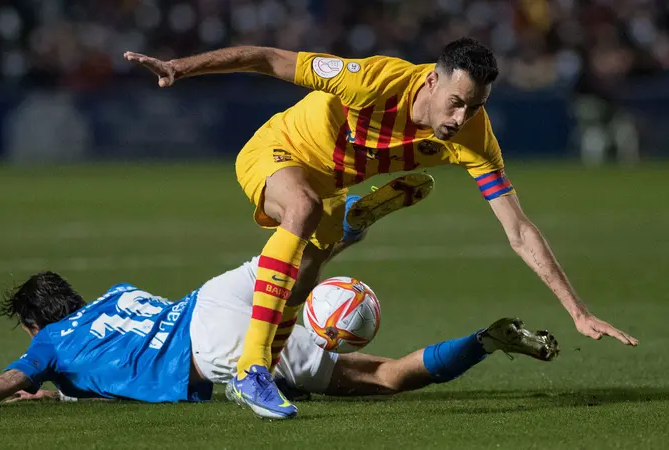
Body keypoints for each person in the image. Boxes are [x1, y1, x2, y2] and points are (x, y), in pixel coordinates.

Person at [122, 37, 638, 418]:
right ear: (432, 80)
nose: (461, 117)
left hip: (332, 186)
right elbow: (269, 58)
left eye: (475, 106)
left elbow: (519, 229)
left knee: (302, 281)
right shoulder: (370, 79)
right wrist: (178, 66)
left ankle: (332, 245)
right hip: (277, 153)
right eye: (456, 102)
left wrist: (577, 310)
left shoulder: (474, 139)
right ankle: (252, 369)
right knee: (300, 210)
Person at [0, 252, 559, 417]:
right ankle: (481, 339)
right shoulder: (117, 294)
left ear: (35, 324)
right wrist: (57, 394)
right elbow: (109, 364)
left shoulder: (48, 346)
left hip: (214, 352)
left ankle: (259, 381)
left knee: (376, 383)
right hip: (212, 299)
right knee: (294, 260)